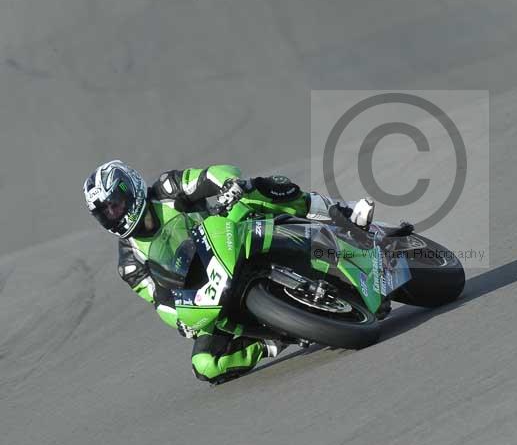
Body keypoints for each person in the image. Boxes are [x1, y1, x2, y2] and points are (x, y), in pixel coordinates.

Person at [83, 160, 374, 384]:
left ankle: (342, 213)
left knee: (255, 190)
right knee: (205, 364)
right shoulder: (129, 262)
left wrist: (229, 184)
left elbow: (211, 175)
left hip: (231, 235)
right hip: (206, 286)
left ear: (129, 187)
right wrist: (182, 322)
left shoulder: (167, 189)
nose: (115, 214)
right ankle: (271, 341)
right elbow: (160, 300)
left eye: (115, 204)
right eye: (105, 213)